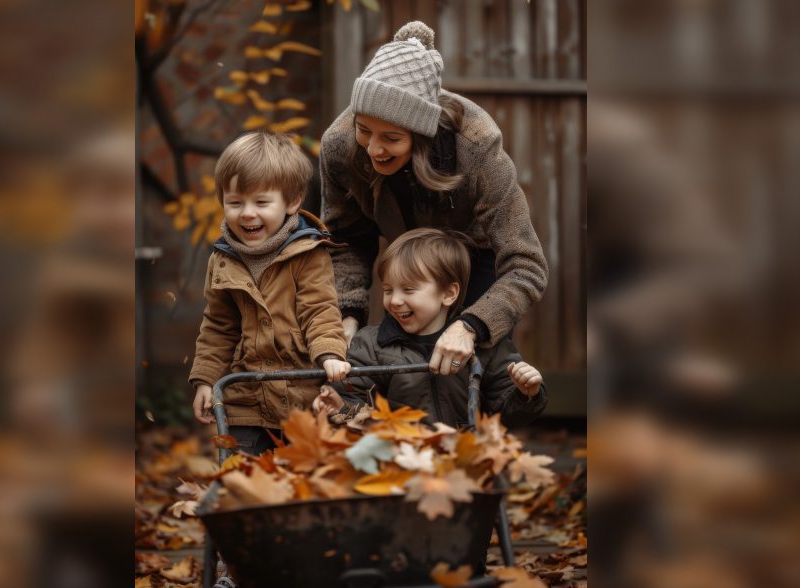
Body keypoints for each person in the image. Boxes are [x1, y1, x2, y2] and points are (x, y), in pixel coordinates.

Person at [321, 21, 548, 377]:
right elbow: (346, 240)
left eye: (391, 138)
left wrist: (472, 325)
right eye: (364, 130)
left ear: (422, 134)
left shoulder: (476, 145)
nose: (374, 149)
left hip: (477, 260)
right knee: (401, 376)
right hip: (408, 267)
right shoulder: (339, 147)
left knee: (477, 377)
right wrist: (346, 315)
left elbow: (527, 265)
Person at [189, 132, 352, 455]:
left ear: (292, 202)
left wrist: (330, 353)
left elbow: (320, 310)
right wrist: (206, 381)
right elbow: (218, 327)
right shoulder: (222, 260)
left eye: (261, 202)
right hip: (245, 398)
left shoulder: (308, 253)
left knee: (304, 477)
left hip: (301, 395)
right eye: (235, 203)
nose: (247, 213)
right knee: (244, 478)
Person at [312, 228, 546, 428]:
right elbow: (352, 398)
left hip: (463, 458)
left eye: (409, 290)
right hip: (398, 459)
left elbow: (506, 413)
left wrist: (526, 393)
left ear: (448, 293)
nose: (394, 301)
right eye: (388, 290)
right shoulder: (371, 345)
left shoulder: (485, 346)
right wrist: (340, 406)